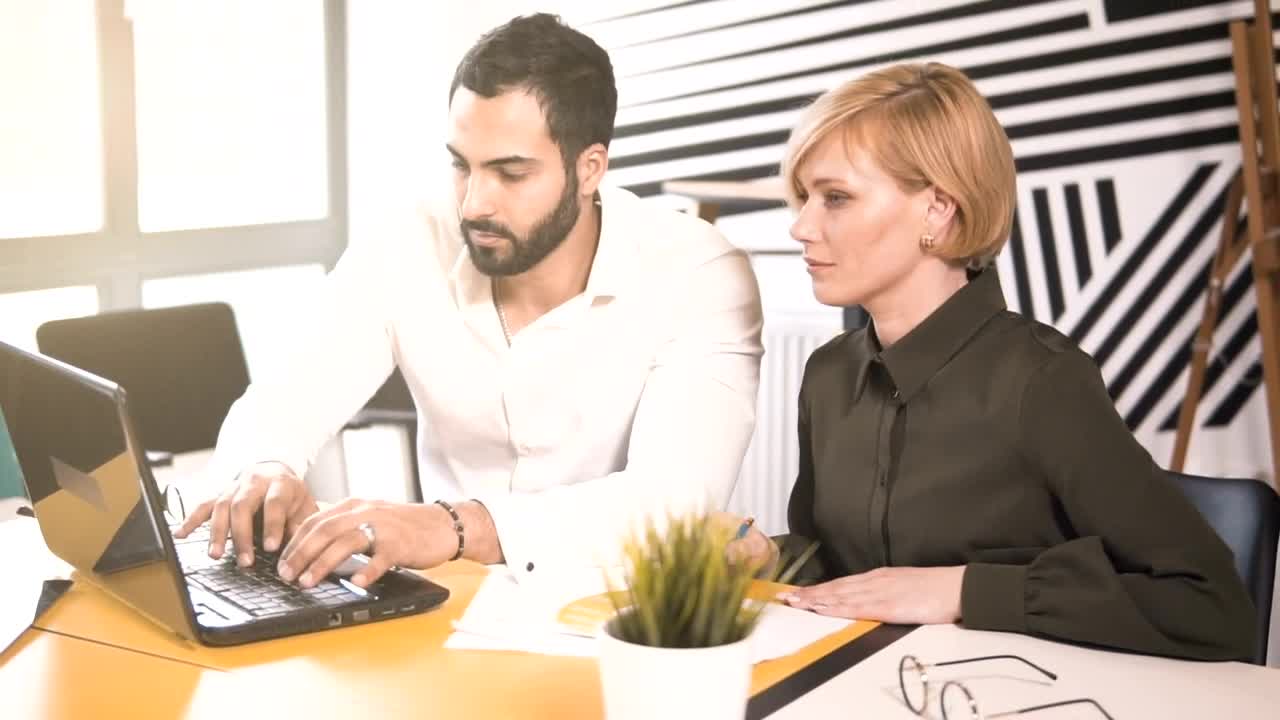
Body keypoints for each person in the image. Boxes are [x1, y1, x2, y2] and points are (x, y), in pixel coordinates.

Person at [176, 13, 763, 590]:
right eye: (462, 165)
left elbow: (673, 498)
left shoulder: (697, 272)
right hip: (449, 606)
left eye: (511, 173)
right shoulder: (409, 240)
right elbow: (287, 397)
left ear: (589, 169)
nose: (474, 204)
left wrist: (453, 526)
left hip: (625, 611)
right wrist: (266, 466)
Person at [730, 62, 1255, 661]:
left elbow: (1213, 606)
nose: (800, 226)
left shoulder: (1043, 380)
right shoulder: (828, 374)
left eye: (836, 198)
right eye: (804, 198)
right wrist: (767, 557)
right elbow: (848, 566)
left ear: (937, 209)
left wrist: (961, 589)